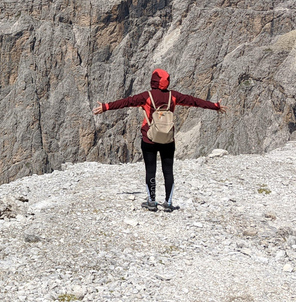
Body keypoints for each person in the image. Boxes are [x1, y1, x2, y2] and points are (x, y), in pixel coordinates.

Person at [92, 69, 226, 212]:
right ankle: (168, 203)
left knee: (151, 170)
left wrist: (106, 107)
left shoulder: (147, 96)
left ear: (154, 81)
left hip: (149, 139)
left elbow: (127, 102)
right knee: (168, 171)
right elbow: (194, 101)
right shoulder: (173, 96)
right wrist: (215, 106)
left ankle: (152, 201)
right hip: (168, 140)